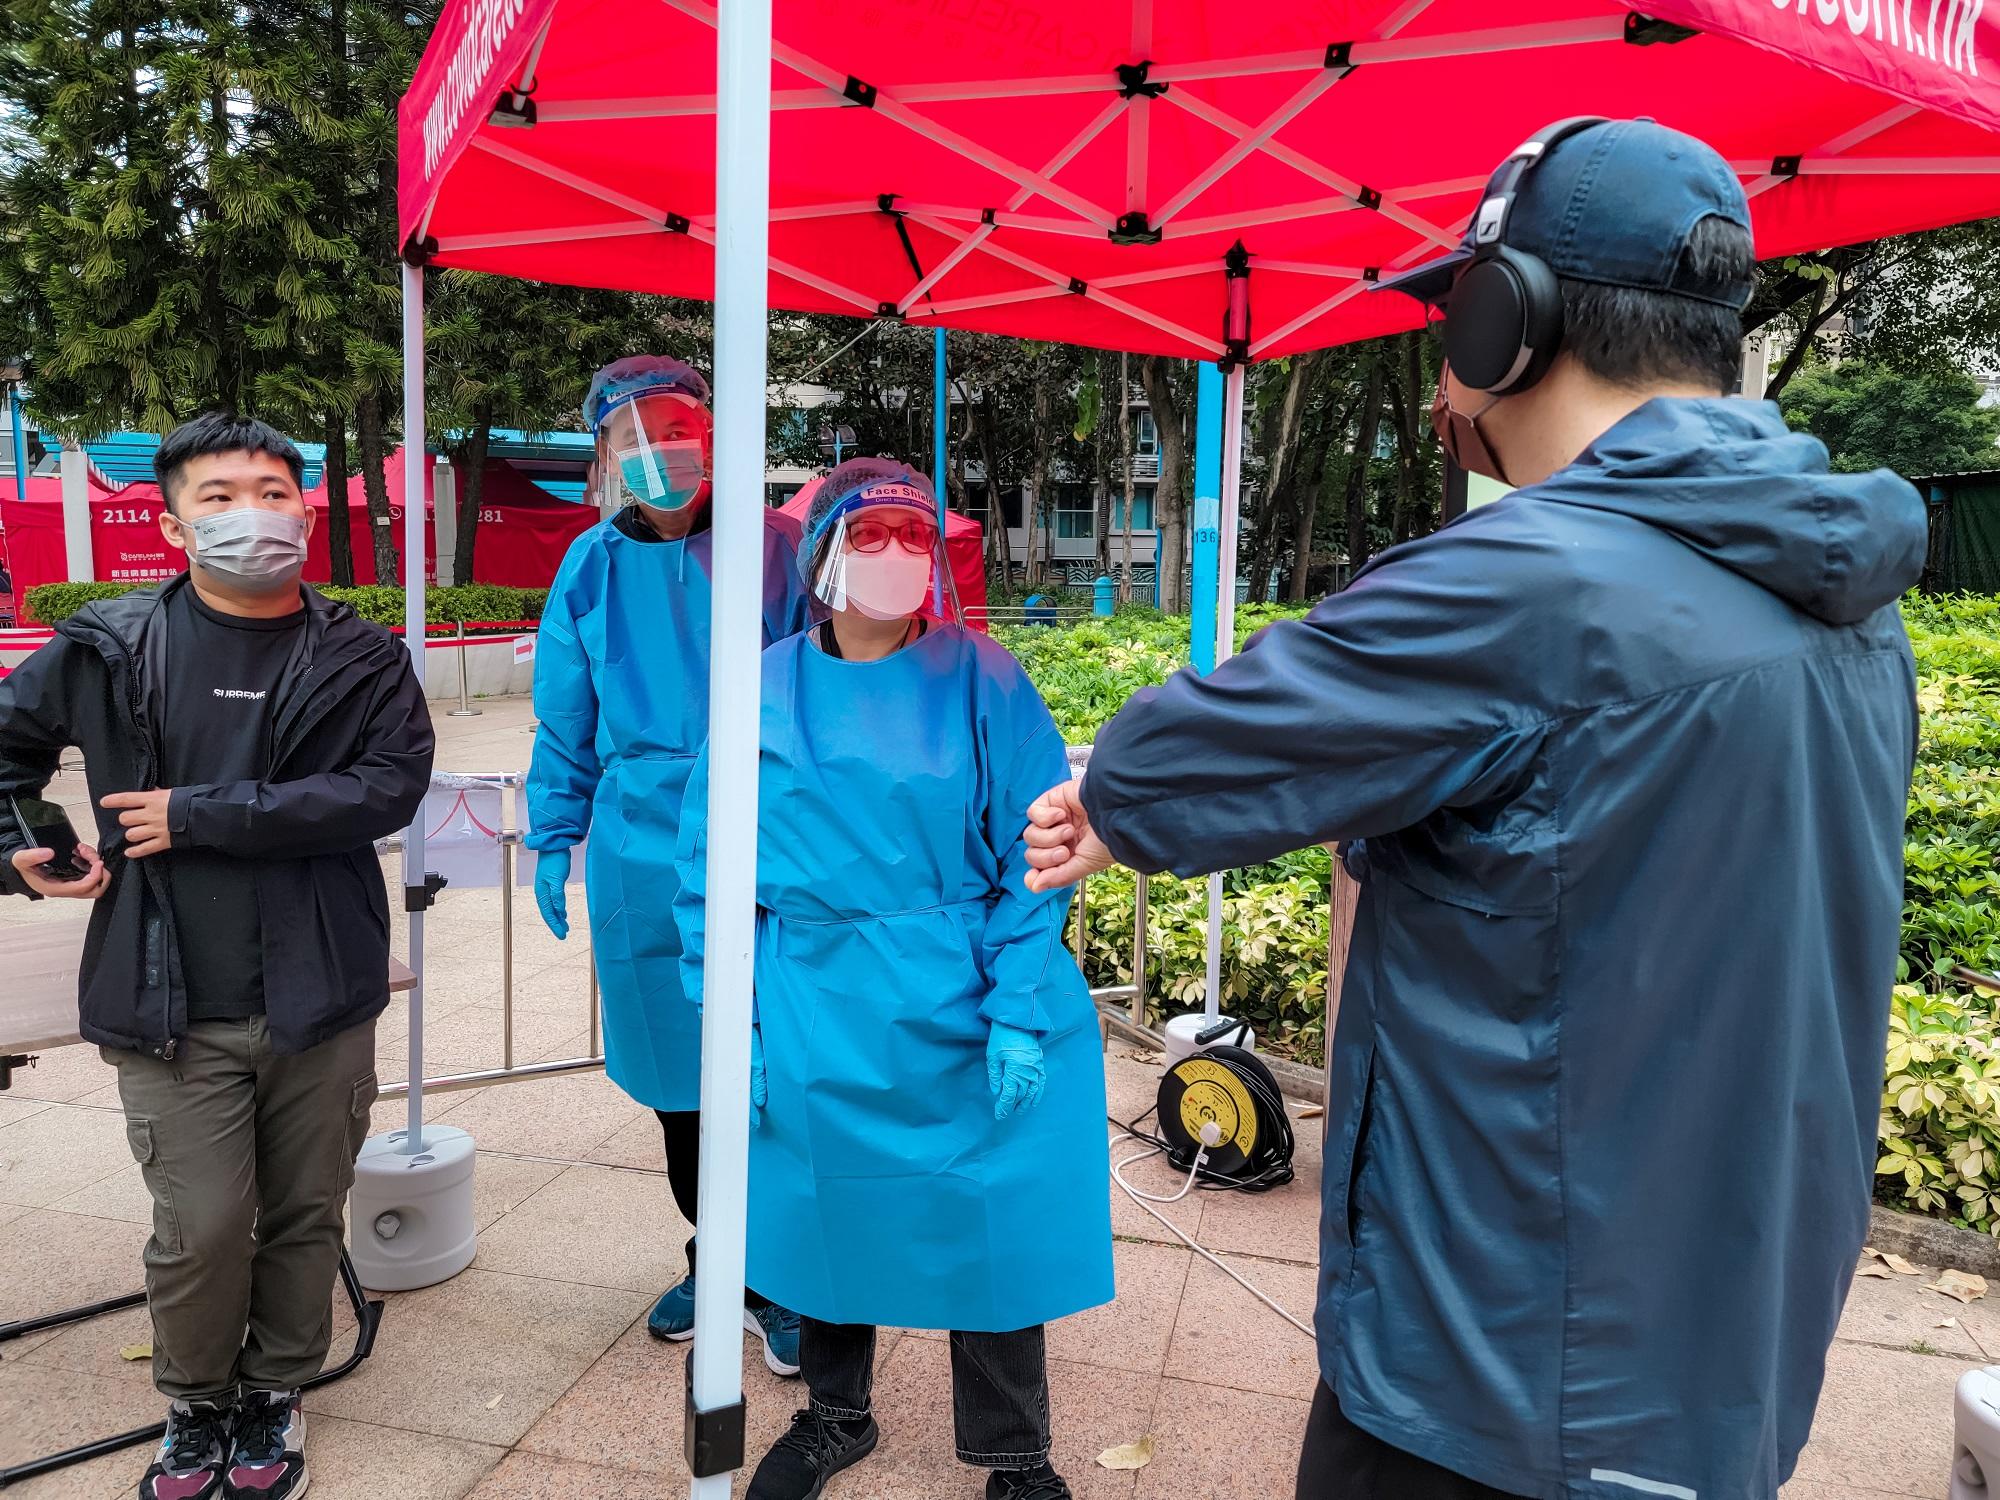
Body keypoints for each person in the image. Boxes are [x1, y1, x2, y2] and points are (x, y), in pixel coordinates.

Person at [1022, 119, 1925, 1500]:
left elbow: (1167, 765)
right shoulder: (1853, 602)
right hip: (1724, 1343)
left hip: (1500, 1367)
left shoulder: (1525, 582)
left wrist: (1112, 797)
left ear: (1504, 321)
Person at [0, 412, 434, 1500]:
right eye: (221, 497)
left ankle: (276, 1388)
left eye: (273, 493)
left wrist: (201, 813)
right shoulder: (109, 647)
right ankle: (196, 1401)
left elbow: (386, 787)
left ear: (307, 513)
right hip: (165, 996)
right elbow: (5, 751)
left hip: (320, 989)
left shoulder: (362, 655)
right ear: (174, 524)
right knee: (198, 1227)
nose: (253, 515)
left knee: (304, 1213)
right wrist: (28, 845)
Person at [674, 457, 1113, 1500]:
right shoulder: (760, 688)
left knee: (985, 1223)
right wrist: (731, 1023)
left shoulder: (983, 679)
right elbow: (709, 874)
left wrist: (1016, 1010)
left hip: (965, 993)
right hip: (814, 1002)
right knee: (826, 1214)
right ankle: (835, 1416)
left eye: (915, 538)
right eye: (869, 536)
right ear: (821, 556)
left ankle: (1015, 1455)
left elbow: (1038, 855)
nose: (896, 556)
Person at [525, 355, 812, 1373]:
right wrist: (551, 832)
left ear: (714, 435)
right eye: (632, 436)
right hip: (641, 844)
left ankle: (783, 1274)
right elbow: (565, 716)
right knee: (678, 1074)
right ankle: (716, 1258)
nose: (659, 451)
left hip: (768, 832)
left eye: (677, 427)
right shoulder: (589, 567)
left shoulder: (778, 550)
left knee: (777, 1062)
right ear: (603, 455)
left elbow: (831, 685)